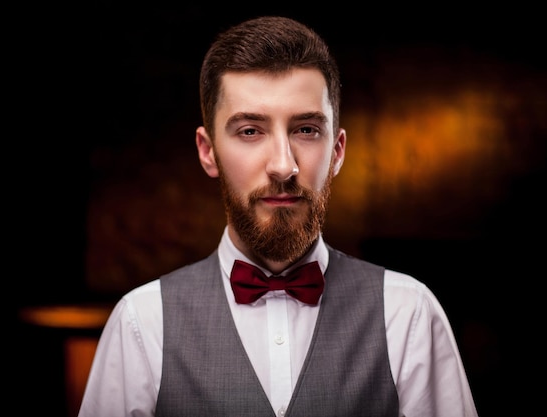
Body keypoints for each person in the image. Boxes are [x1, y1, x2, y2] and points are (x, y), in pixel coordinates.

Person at [78, 15, 478, 417]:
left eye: (306, 130)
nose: (283, 166)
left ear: (337, 151)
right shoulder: (140, 324)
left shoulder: (409, 314)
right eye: (250, 131)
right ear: (207, 151)